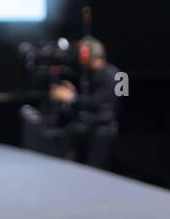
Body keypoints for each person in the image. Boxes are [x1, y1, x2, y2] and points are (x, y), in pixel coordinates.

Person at [49, 36, 120, 169]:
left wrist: (72, 97)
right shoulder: (87, 74)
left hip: (102, 131)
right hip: (85, 127)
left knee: (95, 169)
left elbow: (101, 102)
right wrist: (74, 94)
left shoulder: (114, 74)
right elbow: (88, 99)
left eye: (83, 52)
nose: (80, 56)